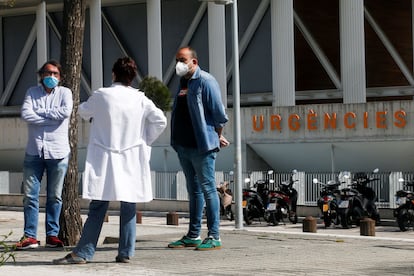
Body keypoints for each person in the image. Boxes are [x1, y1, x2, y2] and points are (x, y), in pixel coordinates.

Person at [53, 57, 167, 264]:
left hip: (105, 157)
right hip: (131, 157)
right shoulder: (140, 99)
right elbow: (160, 120)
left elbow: (83, 111)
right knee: (129, 204)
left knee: (98, 205)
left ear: (113, 74)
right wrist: (144, 140)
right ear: (132, 78)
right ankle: (125, 252)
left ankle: (84, 252)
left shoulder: (102, 95)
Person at [167, 46, 229, 251]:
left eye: (183, 60)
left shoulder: (206, 81)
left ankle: (214, 236)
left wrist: (217, 135)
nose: (179, 64)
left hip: (202, 147)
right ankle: (193, 235)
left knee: (209, 190)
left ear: (194, 62)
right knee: (193, 192)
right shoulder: (183, 82)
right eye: (177, 59)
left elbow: (219, 114)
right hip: (183, 146)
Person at [16, 60, 73, 249]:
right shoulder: (32, 92)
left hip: (58, 152)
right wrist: (50, 117)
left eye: (55, 74)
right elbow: (26, 114)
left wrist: (40, 114)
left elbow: (65, 112)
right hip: (34, 151)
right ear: (41, 75)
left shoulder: (65, 93)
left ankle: (52, 235)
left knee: (54, 196)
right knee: (30, 196)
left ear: (60, 77)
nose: (51, 77)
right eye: (48, 73)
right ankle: (30, 236)